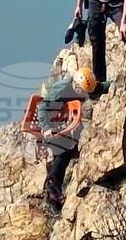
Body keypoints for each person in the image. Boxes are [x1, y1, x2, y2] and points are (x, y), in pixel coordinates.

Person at [37, 67, 101, 212]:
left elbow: (97, 87)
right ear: (76, 85)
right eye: (82, 92)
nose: (84, 95)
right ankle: (53, 193)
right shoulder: (60, 91)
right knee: (63, 152)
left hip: (61, 119)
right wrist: (46, 127)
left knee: (69, 150)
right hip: (47, 121)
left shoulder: (79, 86)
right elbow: (42, 108)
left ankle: (52, 172)